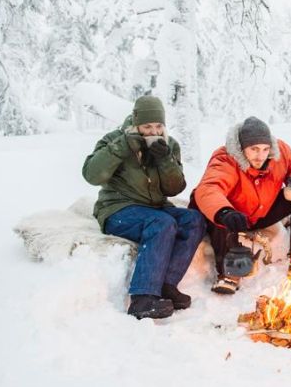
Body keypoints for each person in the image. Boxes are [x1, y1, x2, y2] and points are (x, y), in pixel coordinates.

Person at [82, 96, 205, 320]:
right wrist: (123, 147)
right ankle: (142, 298)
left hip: (155, 206)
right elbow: (92, 175)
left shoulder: (169, 144)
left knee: (193, 219)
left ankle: (166, 285)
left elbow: (175, 188)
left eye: (158, 126)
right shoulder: (114, 140)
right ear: (136, 123)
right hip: (118, 208)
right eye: (147, 126)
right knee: (161, 222)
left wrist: (165, 159)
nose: (153, 131)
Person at [191, 117, 291, 294]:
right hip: (230, 215)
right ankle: (229, 274)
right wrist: (225, 212)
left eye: (264, 149)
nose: (260, 156)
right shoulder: (225, 159)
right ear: (241, 148)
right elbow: (210, 188)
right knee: (221, 214)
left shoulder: (279, 152)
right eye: (254, 149)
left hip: (261, 211)